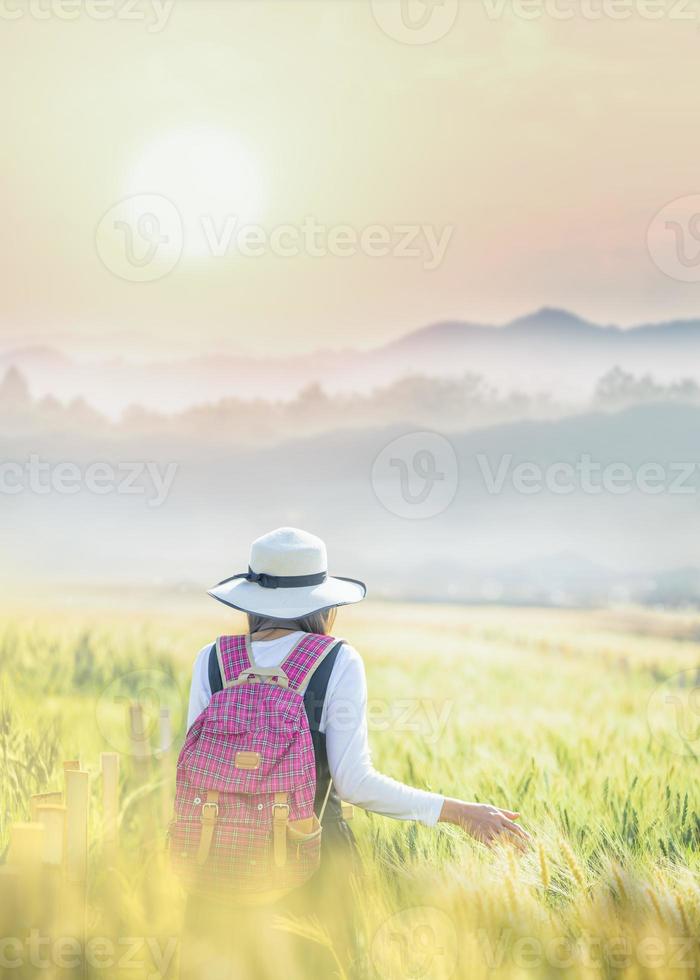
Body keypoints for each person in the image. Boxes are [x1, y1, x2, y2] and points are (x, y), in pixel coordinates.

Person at [181, 526, 529, 976]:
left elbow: (193, 769)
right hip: (309, 868)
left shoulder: (211, 659)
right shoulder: (336, 661)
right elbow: (353, 782)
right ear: (323, 604)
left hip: (215, 863)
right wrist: (460, 812)